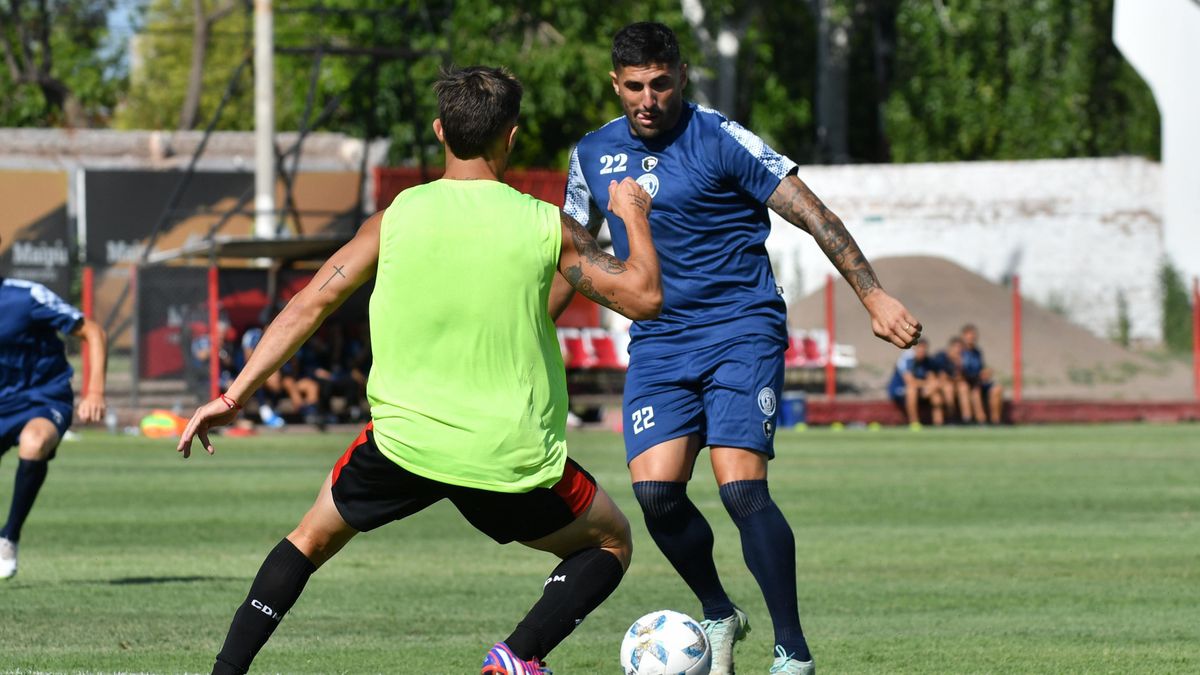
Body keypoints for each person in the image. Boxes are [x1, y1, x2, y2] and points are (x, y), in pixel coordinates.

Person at [176, 65, 662, 675]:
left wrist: (234, 394)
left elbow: (309, 304)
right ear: (510, 137)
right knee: (611, 541)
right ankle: (516, 655)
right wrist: (629, 211)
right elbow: (643, 297)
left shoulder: (395, 218)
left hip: (405, 445)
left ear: (439, 131)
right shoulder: (547, 227)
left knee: (308, 541)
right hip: (506, 455)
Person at [554, 22, 922, 675]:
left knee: (741, 489)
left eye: (660, 83)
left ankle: (791, 651)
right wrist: (532, 332)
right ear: (616, 83)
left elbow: (812, 212)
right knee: (657, 494)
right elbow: (572, 258)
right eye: (634, 86)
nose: (648, 97)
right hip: (660, 340)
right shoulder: (591, 155)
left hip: (739, 327)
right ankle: (719, 611)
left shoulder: (717, 137)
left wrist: (873, 296)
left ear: (681, 76)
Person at [0, 266, 108, 579]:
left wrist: (95, 391)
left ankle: (9, 537)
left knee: (34, 442)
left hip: (43, 398)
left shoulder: (25, 296)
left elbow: (93, 331)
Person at [887, 339, 944, 429]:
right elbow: (910, 382)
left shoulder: (927, 362)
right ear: (914, 349)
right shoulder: (906, 360)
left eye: (924, 350)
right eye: (920, 349)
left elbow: (932, 379)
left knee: (936, 395)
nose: (922, 352)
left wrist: (931, 386)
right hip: (900, 389)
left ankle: (939, 424)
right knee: (911, 390)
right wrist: (928, 385)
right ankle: (914, 423)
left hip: (920, 389)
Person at [960, 324, 1004, 424]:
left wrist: (985, 373)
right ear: (964, 336)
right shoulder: (960, 352)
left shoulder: (977, 352)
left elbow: (980, 369)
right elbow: (960, 371)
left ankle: (995, 421)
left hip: (979, 381)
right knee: (974, 389)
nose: (972, 338)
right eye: (969, 335)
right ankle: (978, 419)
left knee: (997, 389)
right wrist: (977, 376)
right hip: (969, 382)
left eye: (973, 335)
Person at [933, 336, 971, 424]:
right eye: (957, 348)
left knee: (964, 386)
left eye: (961, 348)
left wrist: (959, 367)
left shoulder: (962, 360)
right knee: (948, 388)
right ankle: (951, 417)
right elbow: (942, 377)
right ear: (951, 348)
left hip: (955, 385)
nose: (959, 351)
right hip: (940, 386)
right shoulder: (941, 357)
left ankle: (967, 418)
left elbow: (962, 377)